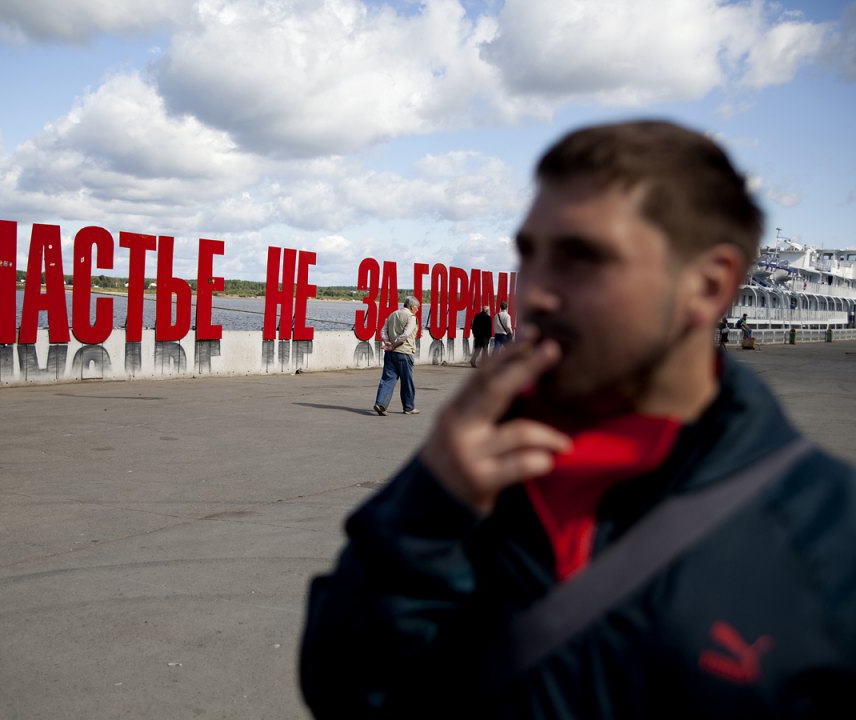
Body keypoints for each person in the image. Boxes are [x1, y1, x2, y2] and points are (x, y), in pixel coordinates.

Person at [301, 120, 856, 718]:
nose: (534, 293)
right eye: (529, 255)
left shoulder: (828, 538)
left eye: (582, 259)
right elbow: (349, 688)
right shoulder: (475, 476)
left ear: (709, 285)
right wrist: (424, 505)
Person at [373, 296, 421, 416]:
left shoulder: (392, 314)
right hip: (404, 352)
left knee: (387, 379)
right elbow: (406, 335)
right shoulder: (411, 317)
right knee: (407, 381)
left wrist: (388, 342)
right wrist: (394, 345)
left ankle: (381, 404)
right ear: (411, 306)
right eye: (417, 307)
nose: (417, 310)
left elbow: (383, 331)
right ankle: (409, 407)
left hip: (390, 353)